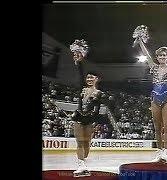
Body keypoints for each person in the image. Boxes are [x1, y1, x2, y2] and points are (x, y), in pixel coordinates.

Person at [134, 26, 167, 163]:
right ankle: (159, 152)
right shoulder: (153, 67)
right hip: (155, 98)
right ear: (157, 57)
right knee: (157, 127)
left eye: (164, 55)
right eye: (160, 55)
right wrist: (140, 41)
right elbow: (147, 54)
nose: (162, 57)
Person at [70, 39, 105, 177]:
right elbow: (80, 73)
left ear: (97, 79)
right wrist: (79, 62)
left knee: (87, 143)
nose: (89, 79)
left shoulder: (99, 93)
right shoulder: (82, 88)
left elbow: (98, 109)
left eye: (92, 77)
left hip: (90, 119)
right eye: (88, 77)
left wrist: (96, 121)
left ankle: (84, 162)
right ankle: (81, 164)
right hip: (79, 117)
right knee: (79, 142)